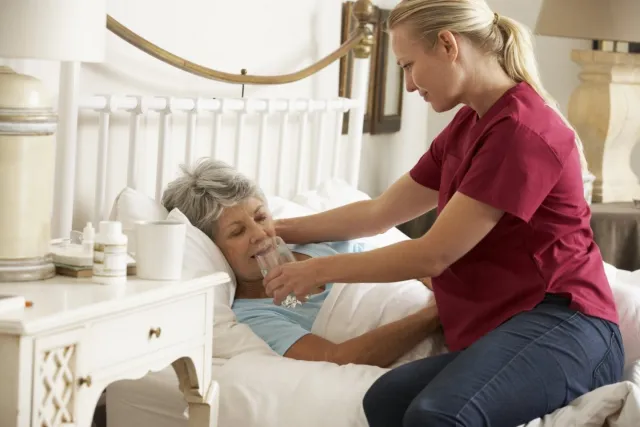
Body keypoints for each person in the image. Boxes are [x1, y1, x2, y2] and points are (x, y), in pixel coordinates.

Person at [264, 1, 625, 426]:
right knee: (385, 401)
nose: (411, 85)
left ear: (448, 45)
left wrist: (319, 270)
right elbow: (380, 213)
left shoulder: (521, 131)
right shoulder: (469, 124)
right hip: (510, 327)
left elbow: (431, 255)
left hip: (567, 325)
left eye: (408, 65)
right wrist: (274, 230)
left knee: (437, 416)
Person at [161, 158, 440, 369]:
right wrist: (434, 315)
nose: (260, 234)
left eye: (260, 218)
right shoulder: (254, 315)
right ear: (213, 250)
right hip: (434, 333)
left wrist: (446, 291)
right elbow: (337, 358)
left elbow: (409, 264)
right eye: (237, 232)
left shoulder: (320, 246)